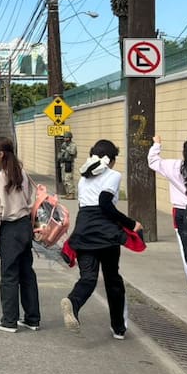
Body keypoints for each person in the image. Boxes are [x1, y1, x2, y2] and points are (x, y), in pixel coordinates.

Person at [60, 139, 137, 340]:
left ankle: (73, 302)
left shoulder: (83, 178)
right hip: (105, 232)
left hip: (84, 230)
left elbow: (86, 204)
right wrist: (130, 223)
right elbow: (105, 203)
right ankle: (118, 328)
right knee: (112, 278)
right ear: (110, 160)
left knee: (88, 277)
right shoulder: (113, 175)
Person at [0, 138, 39, 334]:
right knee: (27, 273)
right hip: (25, 225)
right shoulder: (22, 173)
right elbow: (31, 199)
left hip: (9, 228)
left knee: (9, 275)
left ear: (1, 154)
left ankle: (9, 320)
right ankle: (32, 318)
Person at [148, 135, 187, 297]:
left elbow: (153, 161)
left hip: (182, 212)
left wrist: (157, 144)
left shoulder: (174, 166)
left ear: (184, 153)